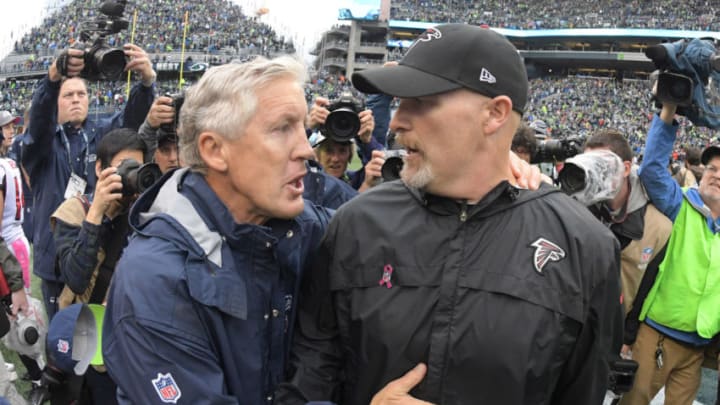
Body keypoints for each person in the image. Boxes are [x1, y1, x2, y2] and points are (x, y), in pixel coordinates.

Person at [277, 23, 623, 405]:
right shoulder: (356, 222)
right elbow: (309, 382)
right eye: (397, 102)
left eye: (420, 101)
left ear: (494, 114)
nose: (396, 121)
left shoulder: (584, 247)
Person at [101, 56, 333, 404]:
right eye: (283, 128)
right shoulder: (152, 280)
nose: (306, 150)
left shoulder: (297, 223)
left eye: (302, 127)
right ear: (214, 150)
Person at [22, 43, 155, 320]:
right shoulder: (44, 144)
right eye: (68, 94)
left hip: (100, 253)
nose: (75, 99)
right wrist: (52, 80)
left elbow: (131, 124)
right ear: (57, 102)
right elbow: (37, 126)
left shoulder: (103, 132)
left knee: (98, 334)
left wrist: (145, 83)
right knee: (63, 336)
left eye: (81, 94)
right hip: (55, 258)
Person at [620, 101, 720, 404]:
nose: (716, 175)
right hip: (657, 334)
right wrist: (668, 113)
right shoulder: (681, 205)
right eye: (712, 169)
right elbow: (651, 169)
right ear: (701, 174)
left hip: (698, 346)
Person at [580, 130, 673, 365]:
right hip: (571, 319)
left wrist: (627, 336)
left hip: (612, 329)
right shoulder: (575, 205)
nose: (594, 172)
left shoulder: (659, 227)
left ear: (626, 168)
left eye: (602, 164)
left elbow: (645, 290)